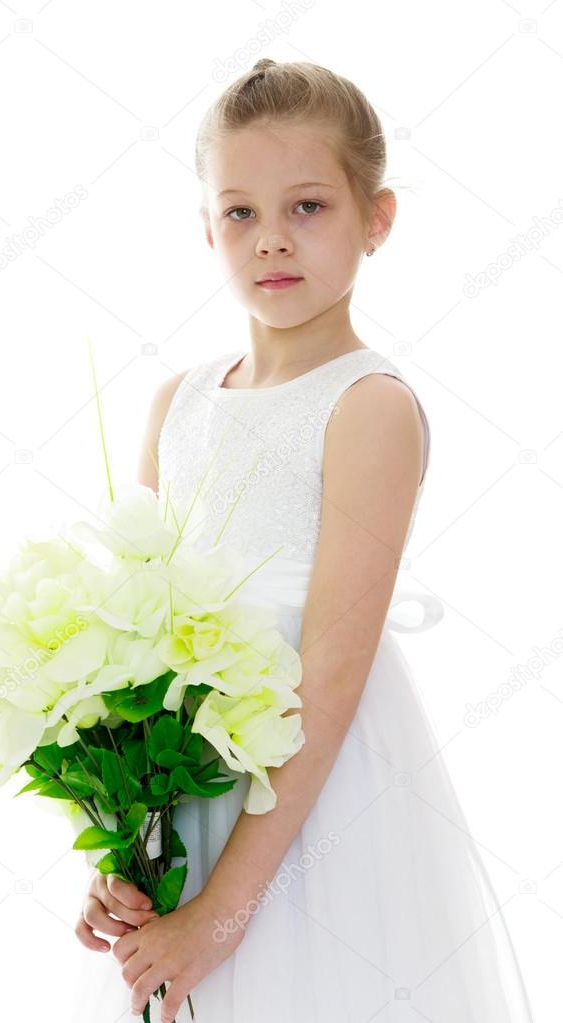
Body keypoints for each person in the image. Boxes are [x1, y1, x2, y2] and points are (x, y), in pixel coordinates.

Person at [72, 59, 534, 1022]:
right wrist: (117, 849)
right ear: (206, 226)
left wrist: (221, 918)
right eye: (239, 212)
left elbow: (328, 678)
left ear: (378, 217)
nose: (271, 239)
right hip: (184, 790)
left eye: (310, 206)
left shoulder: (367, 407)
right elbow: (128, 650)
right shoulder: (179, 402)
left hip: (311, 812)